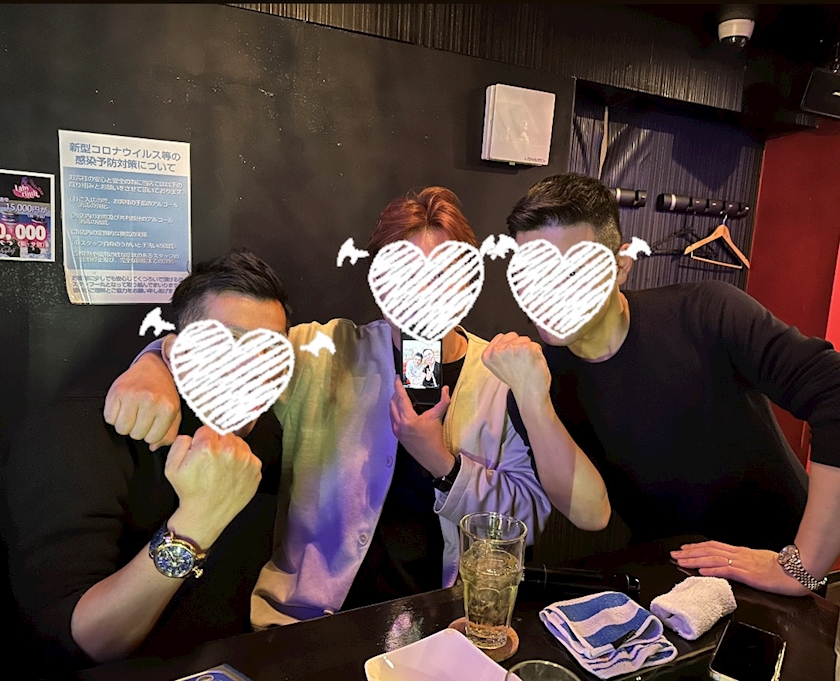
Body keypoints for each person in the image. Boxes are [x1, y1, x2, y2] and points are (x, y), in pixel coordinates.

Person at [103, 187, 610, 627]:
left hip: (446, 621)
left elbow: (527, 517)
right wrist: (152, 363)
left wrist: (443, 463)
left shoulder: (501, 375)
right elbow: (223, 346)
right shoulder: (323, 351)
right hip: (307, 623)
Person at [481, 172, 840, 597]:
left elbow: (834, 391)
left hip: (774, 565)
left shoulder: (706, 313)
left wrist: (801, 567)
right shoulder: (537, 377)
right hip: (674, 574)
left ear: (620, 267)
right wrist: (530, 399)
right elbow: (591, 513)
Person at [1, 249, 288, 673]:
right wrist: (196, 524)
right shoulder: (78, 434)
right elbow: (78, 639)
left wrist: (151, 357)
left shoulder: (269, 432)